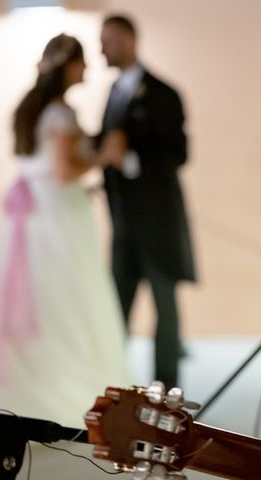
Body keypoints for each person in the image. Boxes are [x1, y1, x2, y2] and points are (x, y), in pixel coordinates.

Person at [0, 33, 131, 431]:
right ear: (67, 66)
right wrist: (106, 155)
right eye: (81, 61)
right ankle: (67, 390)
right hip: (58, 218)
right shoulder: (60, 112)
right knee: (67, 303)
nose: (87, 68)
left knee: (36, 303)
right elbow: (65, 171)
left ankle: (25, 385)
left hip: (31, 217)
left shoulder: (32, 110)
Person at [98, 14, 196, 389]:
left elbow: (179, 152)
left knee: (164, 308)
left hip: (158, 224)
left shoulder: (163, 93)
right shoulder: (113, 92)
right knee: (116, 310)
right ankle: (112, 385)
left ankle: (166, 388)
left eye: (107, 40)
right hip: (123, 224)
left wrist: (130, 158)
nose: (101, 49)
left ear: (127, 39)